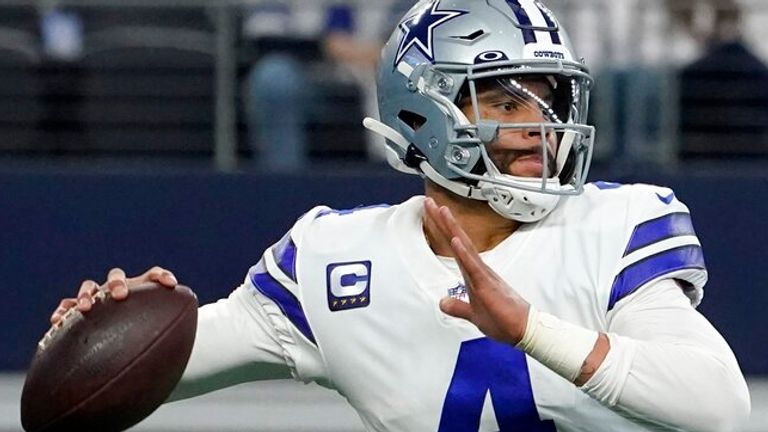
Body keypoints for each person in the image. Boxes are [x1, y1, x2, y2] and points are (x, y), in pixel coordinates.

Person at [51, 0, 751, 431]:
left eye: (550, 104)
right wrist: (106, 325)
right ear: (422, 116)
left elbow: (717, 405)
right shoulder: (331, 260)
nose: (539, 129)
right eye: (506, 104)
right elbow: (120, 381)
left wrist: (531, 331)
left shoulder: (616, 226)